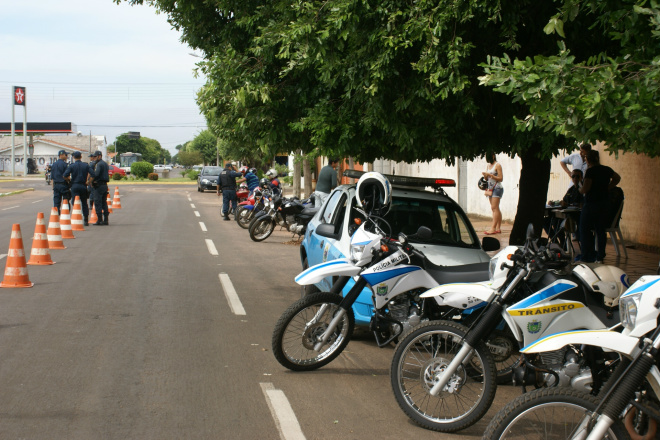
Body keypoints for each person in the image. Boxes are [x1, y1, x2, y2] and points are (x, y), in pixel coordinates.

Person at [578, 150, 621, 263]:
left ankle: (587, 254)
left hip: (591, 203)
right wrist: (608, 187)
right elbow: (617, 178)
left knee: (584, 229)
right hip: (604, 203)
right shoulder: (606, 169)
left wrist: (579, 188)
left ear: (587, 159)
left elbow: (586, 189)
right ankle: (600, 256)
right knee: (600, 230)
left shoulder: (590, 171)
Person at [63, 151, 91, 225]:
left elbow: (65, 175)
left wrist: (69, 180)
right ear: (81, 157)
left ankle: (76, 217)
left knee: (74, 202)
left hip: (74, 185)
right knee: (84, 202)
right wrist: (88, 182)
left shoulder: (72, 166)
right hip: (83, 185)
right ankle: (86, 219)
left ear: (73, 157)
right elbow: (93, 174)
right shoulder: (85, 165)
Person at [483, 152, 503, 235]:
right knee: (495, 208)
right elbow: (487, 178)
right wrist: (485, 175)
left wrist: (491, 175)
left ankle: (493, 228)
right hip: (490, 189)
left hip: (497, 188)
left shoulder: (497, 165)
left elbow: (501, 178)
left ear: (493, 156)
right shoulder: (488, 166)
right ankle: (498, 227)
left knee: (494, 207)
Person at [90, 151, 110, 225]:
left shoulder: (99, 164)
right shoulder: (105, 164)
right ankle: (106, 219)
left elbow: (96, 174)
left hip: (98, 185)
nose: (94, 158)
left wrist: (92, 181)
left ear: (99, 156)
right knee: (104, 202)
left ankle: (99, 219)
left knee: (98, 202)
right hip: (104, 185)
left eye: (95, 157)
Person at [51, 149, 71, 214]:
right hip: (64, 185)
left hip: (56, 185)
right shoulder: (65, 165)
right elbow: (67, 176)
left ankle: (56, 216)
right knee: (66, 201)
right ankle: (65, 215)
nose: (66, 156)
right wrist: (69, 181)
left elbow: (52, 178)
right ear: (61, 155)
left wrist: (53, 187)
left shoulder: (54, 165)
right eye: (66, 155)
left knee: (56, 202)